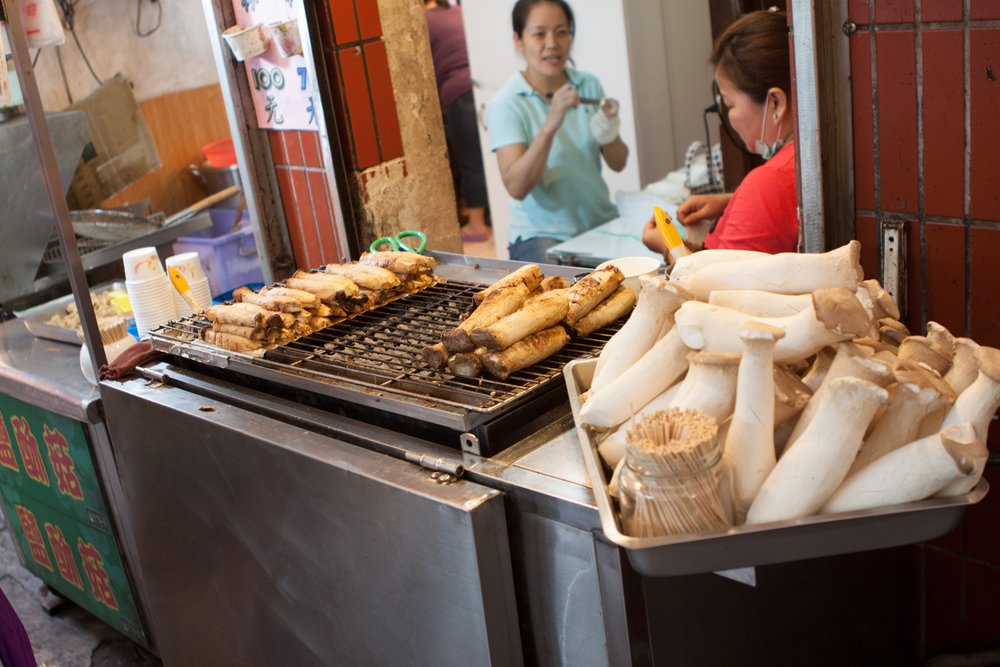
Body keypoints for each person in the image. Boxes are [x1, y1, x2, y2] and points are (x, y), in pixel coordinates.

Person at [643, 9, 798, 257]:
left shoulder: (769, 182)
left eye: (730, 103)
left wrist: (668, 245)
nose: (730, 117)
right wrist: (733, 202)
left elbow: (711, 282)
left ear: (776, 103)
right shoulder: (805, 162)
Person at [487, 0, 629, 263]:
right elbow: (516, 186)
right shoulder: (506, 104)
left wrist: (610, 132)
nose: (552, 43)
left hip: (599, 223)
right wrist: (551, 124)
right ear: (518, 40)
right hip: (541, 236)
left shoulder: (588, 84)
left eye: (561, 32)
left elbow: (619, 162)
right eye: (539, 34)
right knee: (566, 289)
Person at [423, 0, 492, 244]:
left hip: (459, 93)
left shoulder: (425, 21)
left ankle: (476, 224)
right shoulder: (459, 12)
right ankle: (493, 215)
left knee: (470, 161)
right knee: (489, 156)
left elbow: (424, 69)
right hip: (485, 86)